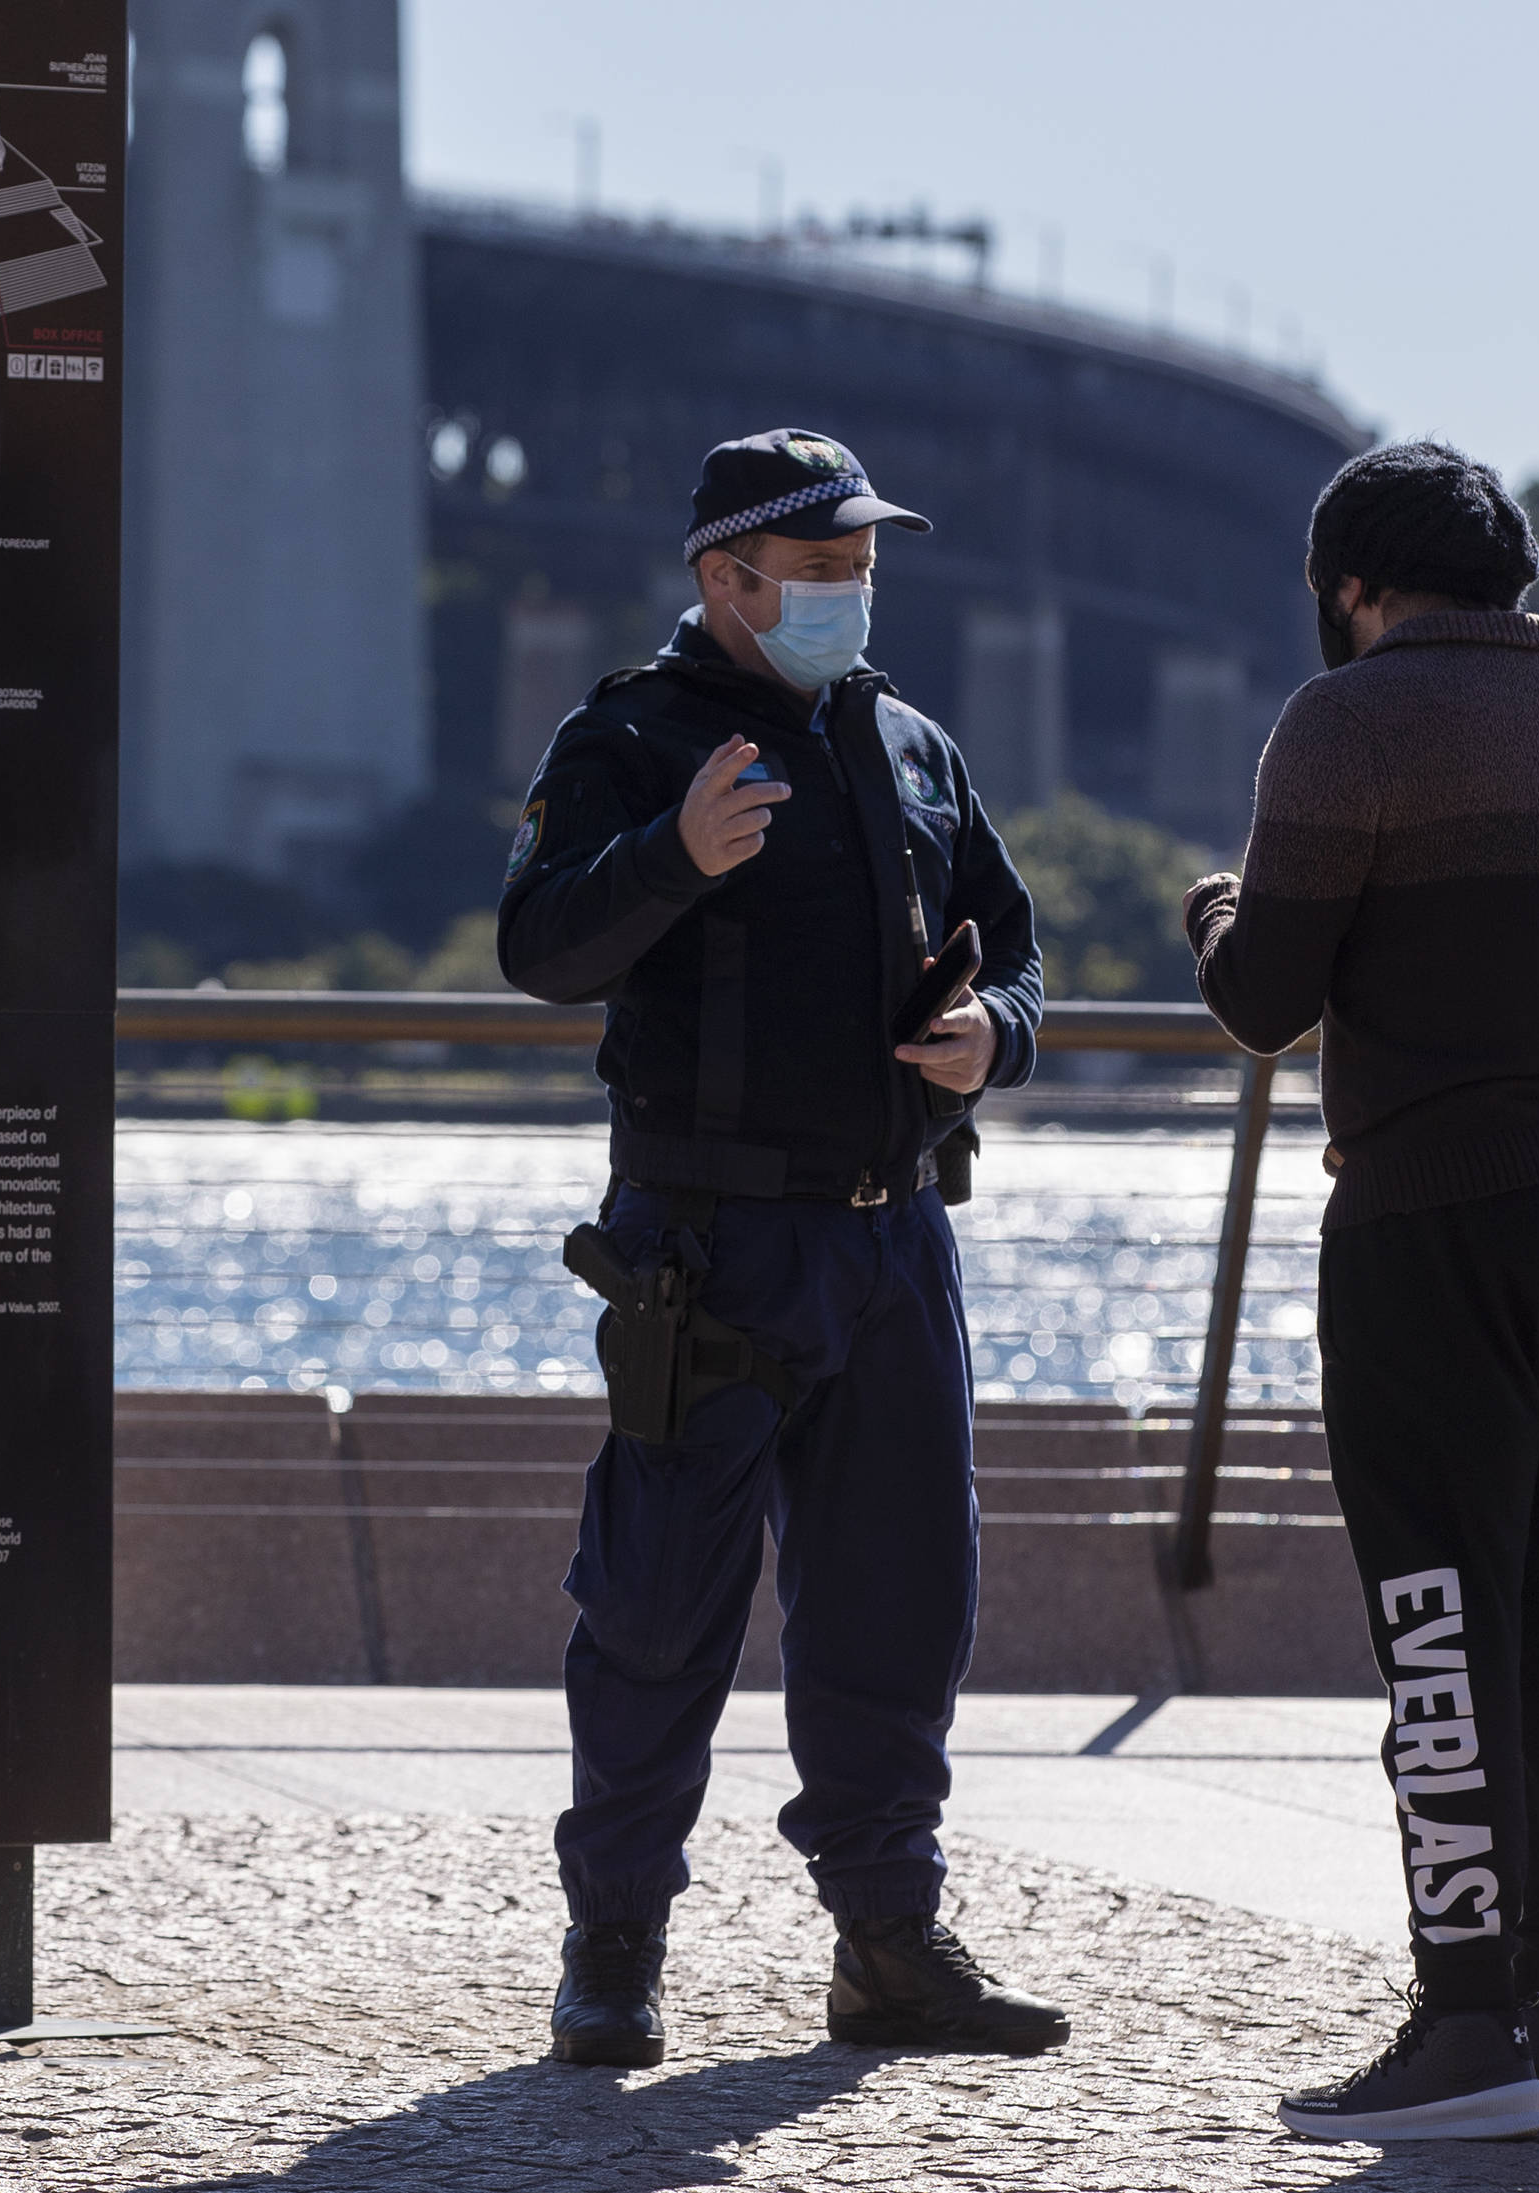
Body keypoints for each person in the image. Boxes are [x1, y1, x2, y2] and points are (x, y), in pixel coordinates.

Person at [497, 428, 1066, 2069]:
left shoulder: (910, 741)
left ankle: (888, 1945)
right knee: (657, 1607)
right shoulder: (628, 735)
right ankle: (613, 1945)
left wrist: (997, 1034)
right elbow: (541, 945)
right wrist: (671, 855)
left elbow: (1018, 951)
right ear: (725, 577)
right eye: (819, 568)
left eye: (861, 565)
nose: (849, 592)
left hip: (895, 1241)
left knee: (902, 1603)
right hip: (707, 1246)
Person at [1184, 441, 1539, 2141]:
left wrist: (1216, 910)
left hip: (1431, 1222)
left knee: (1437, 1617)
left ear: (1352, 587)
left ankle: (1464, 2019)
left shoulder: (1347, 723)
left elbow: (1266, 997)